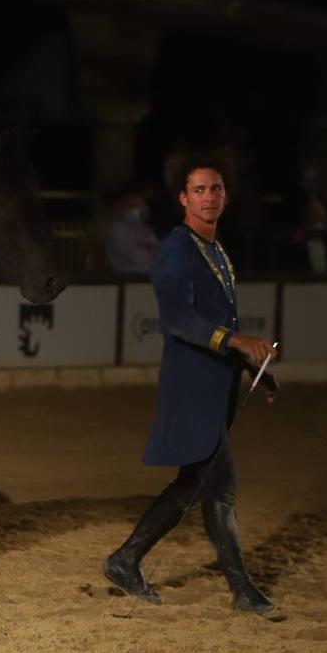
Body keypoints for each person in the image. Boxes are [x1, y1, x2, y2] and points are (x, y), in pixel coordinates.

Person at [103, 159, 280, 613]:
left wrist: (252, 367)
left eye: (216, 188)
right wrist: (238, 341)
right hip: (190, 386)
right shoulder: (177, 248)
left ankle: (125, 559)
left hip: (214, 385)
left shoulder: (216, 249)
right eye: (199, 189)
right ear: (183, 198)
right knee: (219, 485)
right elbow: (180, 319)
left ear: (225, 195)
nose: (208, 197)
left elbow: (218, 321)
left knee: (194, 483)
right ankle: (241, 589)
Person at [104, 189, 159, 275]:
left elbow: (158, 253)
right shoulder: (116, 229)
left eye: (138, 205)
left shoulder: (145, 230)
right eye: (131, 205)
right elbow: (136, 257)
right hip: (128, 279)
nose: (136, 209)